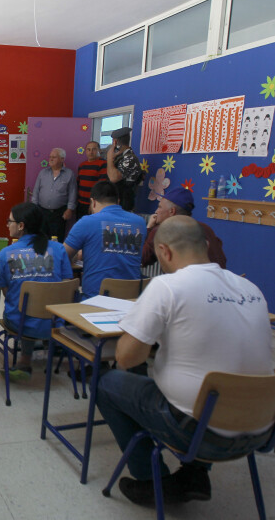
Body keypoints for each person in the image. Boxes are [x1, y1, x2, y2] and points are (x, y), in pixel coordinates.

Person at [95, 216, 273, 506]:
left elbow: (126, 358)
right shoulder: (250, 289)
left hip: (199, 433)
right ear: (205, 246)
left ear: (164, 251)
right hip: (262, 430)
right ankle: (194, 474)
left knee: (106, 383)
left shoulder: (167, 287)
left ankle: (153, 480)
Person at [0, 202, 73, 382]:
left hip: (20, 324)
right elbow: (67, 285)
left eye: (9, 221)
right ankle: (46, 349)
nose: (7, 224)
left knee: (22, 307)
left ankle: (25, 361)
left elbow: (7, 292)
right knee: (38, 307)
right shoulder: (58, 249)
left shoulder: (6, 253)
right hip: (55, 322)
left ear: (21, 226)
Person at [64, 181, 146, 299]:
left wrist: (79, 254)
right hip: (131, 300)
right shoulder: (140, 222)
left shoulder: (86, 222)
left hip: (94, 300)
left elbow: (62, 256)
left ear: (93, 202)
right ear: (118, 201)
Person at [143, 186, 226, 269]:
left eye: (159, 207)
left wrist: (149, 228)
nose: (156, 211)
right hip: (220, 276)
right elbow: (222, 259)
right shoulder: (207, 228)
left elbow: (142, 259)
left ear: (172, 211)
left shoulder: (164, 229)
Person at [31, 148, 77, 242]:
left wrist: (69, 209)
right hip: (42, 211)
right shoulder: (43, 173)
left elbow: (73, 193)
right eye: (50, 157)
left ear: (62, 159)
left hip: (59, 213)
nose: (51, 159)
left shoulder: (69, 174)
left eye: (54, 157)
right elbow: (36, 191)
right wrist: (34, 208)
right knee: (41, 239)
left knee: (57, 239)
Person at [105, 127, 143, 211]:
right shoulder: (121, 157)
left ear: (115, 142)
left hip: (124, 205)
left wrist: (109, 158)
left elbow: (113, 178)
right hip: (116, 202)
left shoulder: (130, 158)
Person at [76, 141, 107, 221]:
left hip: (94, 204)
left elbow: (101, 187)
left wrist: (94, 203)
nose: (91, 152)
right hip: (81, 203)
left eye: (94, 149)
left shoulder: (103, 164)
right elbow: (78, 184)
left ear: (99, 150)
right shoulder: (82, 165)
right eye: (88, 149)